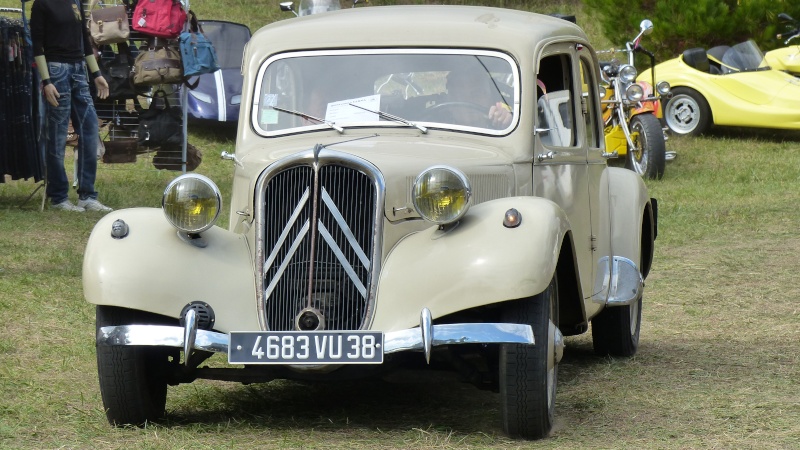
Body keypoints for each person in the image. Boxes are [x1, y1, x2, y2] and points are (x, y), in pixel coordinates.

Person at [31, 0, 112, 212]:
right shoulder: (42, 4)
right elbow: (37, 44)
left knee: (90, 128)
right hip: (56, 71)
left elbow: (84, 40)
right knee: (58, 135)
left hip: (79, 70)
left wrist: (96, 74)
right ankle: (58, 197)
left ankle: (87, 195)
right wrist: (46, 81)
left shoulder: (74, 2)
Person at [445, 69, 513, 129]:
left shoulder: (504, 131)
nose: (469, 100)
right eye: (460, 95)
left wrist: (507, 123)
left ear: (491, 99)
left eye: (477, 94)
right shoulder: (436, 127)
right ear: (449, 101)